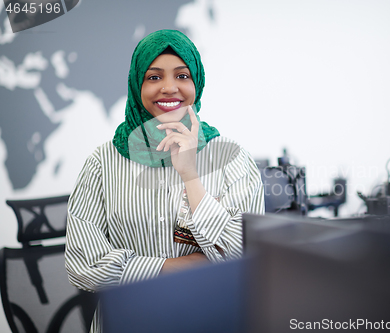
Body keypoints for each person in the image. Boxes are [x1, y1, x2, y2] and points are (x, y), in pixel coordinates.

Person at [64, 29, 265, 333]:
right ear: (137, 85)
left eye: (182, 76)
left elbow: (244, 259)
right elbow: (83, 266)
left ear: (196, 82)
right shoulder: (102, 163)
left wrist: (190, 175)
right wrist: (180, 268)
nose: (169, 88)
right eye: (154, 77)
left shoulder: (232, 159)